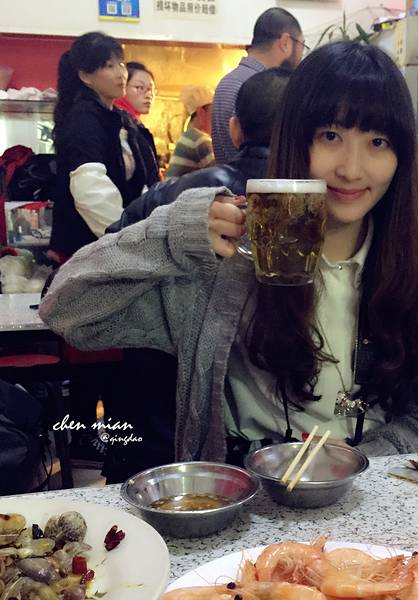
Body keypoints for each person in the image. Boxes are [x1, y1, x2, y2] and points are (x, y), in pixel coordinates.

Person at [40, 42, 418, 468]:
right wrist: (173, 235)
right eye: (330, 136)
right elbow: (66, 311)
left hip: (370, 490)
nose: (351, 169)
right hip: (242, 492)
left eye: (378, 141)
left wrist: (351, 468)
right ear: (292, 138)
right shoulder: (227, 260)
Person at [100, 67, 291, 483]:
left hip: (149, 429)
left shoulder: (169, 195)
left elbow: (97, 271)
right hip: (259, 452)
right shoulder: (314, 216)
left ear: (235, 131)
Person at [108, 67, 290, 232]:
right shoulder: (199, 139)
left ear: (234, 130)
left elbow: (113, 239)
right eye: (140, 87)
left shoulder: (179, 191)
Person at [49, 31, 160, 260]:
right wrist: (126, 237)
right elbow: (90, 187)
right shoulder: (84, 117)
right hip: (87, 249)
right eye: (109, 66)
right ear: (85, 76)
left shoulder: (118, 118)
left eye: (121, 64)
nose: (121, 73)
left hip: (109, 244)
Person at [211, 7, 304, 164]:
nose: (301, 55)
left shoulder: (227, 82)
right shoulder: (261, 89)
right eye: (302, 45)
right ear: (285, 42)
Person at [114, 61, 160, 170]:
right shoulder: (117, 122)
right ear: (122, 87)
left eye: (152, 90)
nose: (149, 95)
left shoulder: (134, 123)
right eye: (140, 87)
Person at [166, 84, 215, 178]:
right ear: (201, 112)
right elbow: (221, 176)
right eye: (213, 112)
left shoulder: (189, 136)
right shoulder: (200, 139)